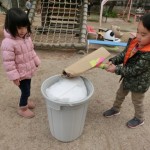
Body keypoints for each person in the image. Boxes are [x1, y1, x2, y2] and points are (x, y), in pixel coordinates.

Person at [102, 13, 150, 128]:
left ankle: (139, 118)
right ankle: (115, 109)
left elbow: (134, 70)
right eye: (138, 31)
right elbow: (124, 54)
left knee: (137, 101)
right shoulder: (135, 42)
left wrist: (116, 69)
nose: (138, 36)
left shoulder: (148, 54)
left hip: (139, 83)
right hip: (127, 79)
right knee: (120, 94)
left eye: (143, 34)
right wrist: (113, 60)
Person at [1, 8, 41, 118]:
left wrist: (36, 60)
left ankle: (26, 102)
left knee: (28, 88)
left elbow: (31, 51)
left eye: (25, 27)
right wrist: (14, 77)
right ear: (10, 26)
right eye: (19, 28)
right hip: (20, 74)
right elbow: (8, 62)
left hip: (28, 70)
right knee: (26, 91)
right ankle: (23, 108)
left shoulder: (26, 38)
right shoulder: (8, 43)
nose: (23, 30)